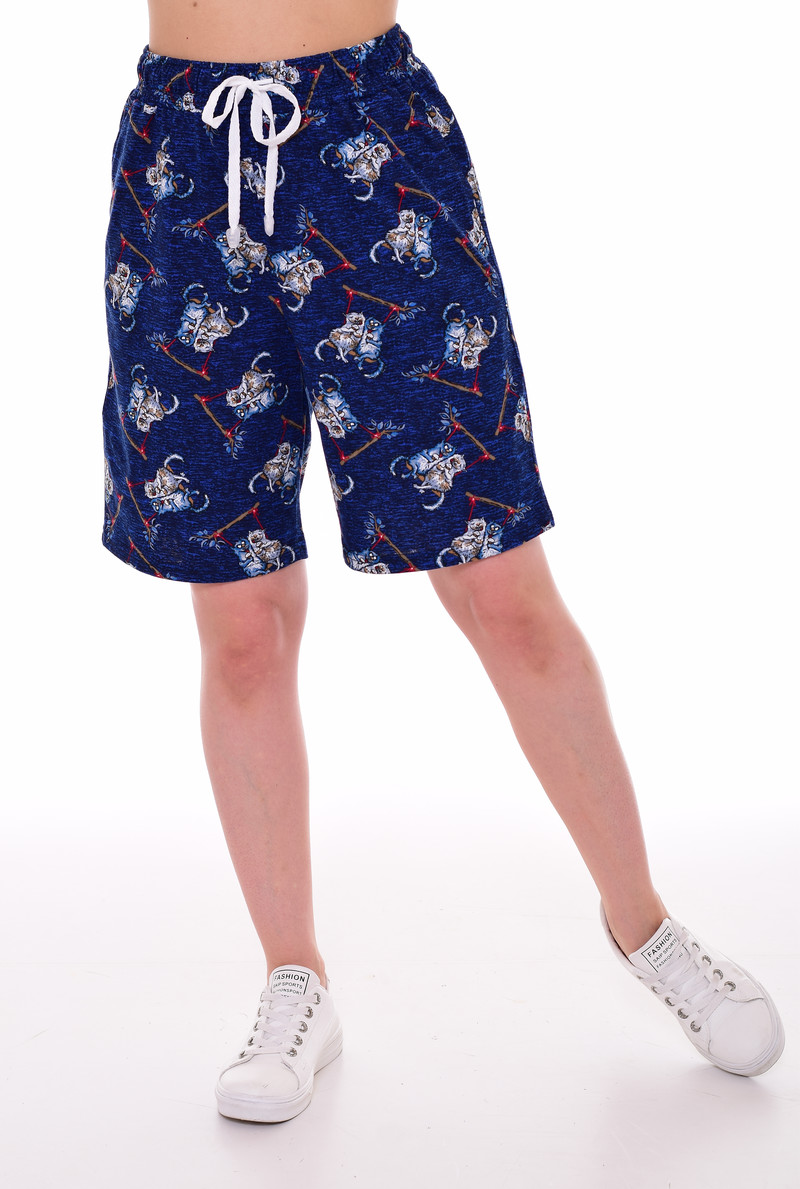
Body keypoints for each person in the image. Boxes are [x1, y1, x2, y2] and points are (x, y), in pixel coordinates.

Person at [101, 0, 785, 1123]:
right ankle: (295, 980)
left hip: (367, 135)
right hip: (181, 164)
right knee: (239, 622)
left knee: (502, 589)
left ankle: (644, 924)